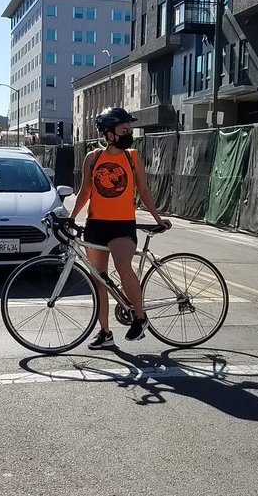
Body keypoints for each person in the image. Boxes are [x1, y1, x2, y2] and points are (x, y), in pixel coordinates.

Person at [70, 106, 172, 349]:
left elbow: (143, 190)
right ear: (109, 134)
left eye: (129, 130)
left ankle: (140, 317)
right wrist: (72, 217)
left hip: (122, 226)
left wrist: (158, 219)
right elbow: (85, 191)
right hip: (95, 225)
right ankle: (105, 333)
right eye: (124, 130)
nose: (129, 134)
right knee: (100, 281)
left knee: (122, 264)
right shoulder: (93, 158)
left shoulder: (132, 156)